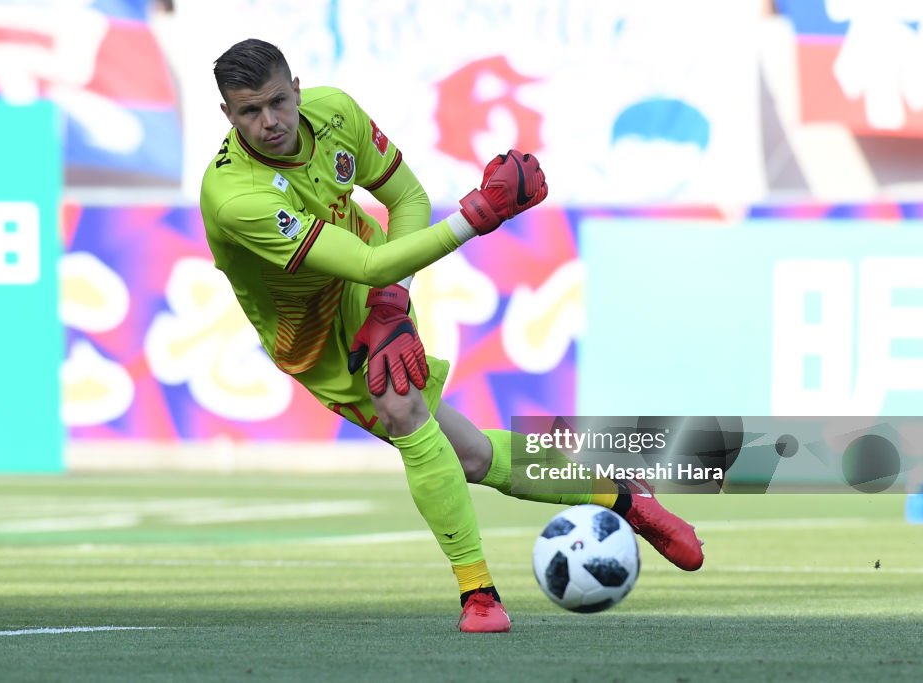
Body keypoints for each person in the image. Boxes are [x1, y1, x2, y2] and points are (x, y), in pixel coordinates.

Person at [200, 38, 704, 634]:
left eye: (278, 102)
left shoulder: (335, 111)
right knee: (470, 455)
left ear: (298, 89)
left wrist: (391, 304)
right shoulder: (235, 196)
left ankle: (479, 596)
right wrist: (478, 214)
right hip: (311, 335)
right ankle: (623, 497)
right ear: (228, 117)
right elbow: (363, 266)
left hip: (373, 278)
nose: (269, 121)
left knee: (403, 406)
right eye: (249, 112)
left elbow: (405, 198)